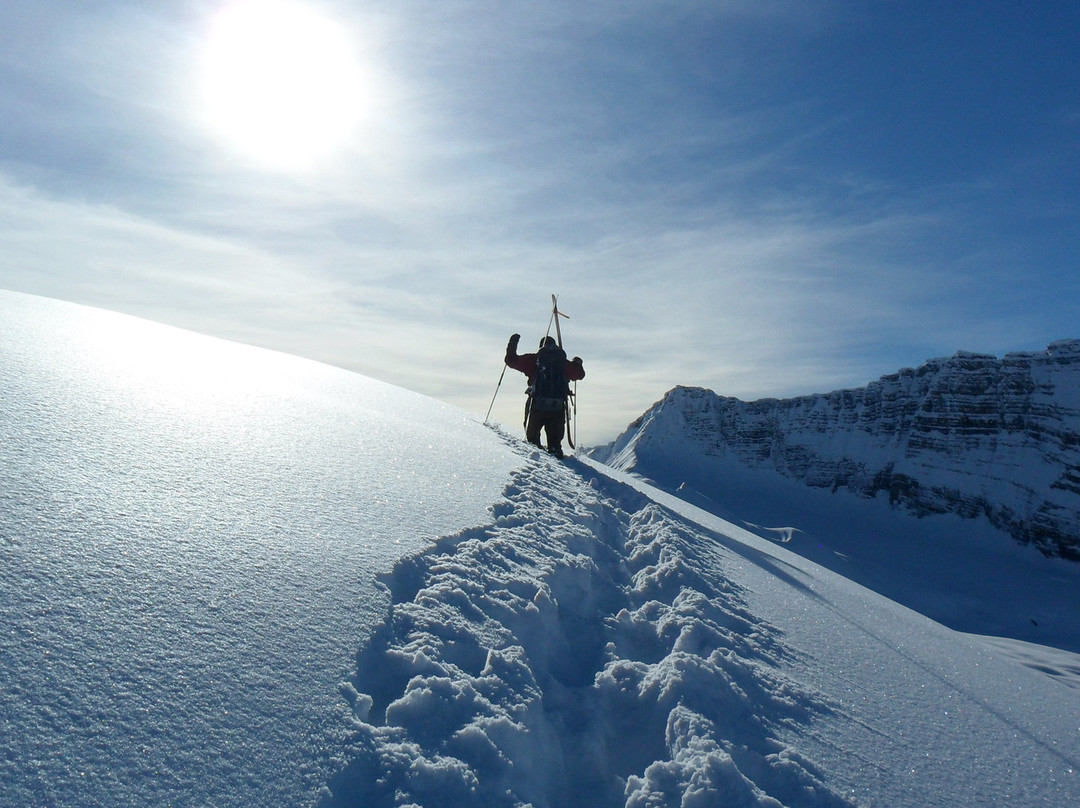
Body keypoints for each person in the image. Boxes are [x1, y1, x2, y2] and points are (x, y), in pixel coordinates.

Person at [505, 333, 585, 458]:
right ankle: (555, 451)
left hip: (537, 404)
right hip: (558, 406)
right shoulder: (563, 363)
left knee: (532, 441)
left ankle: (536, 460)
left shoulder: (534, 360)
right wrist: (577, 363)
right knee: (555, 443)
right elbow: (579, 375)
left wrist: (513, 343)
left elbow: (511, 361)